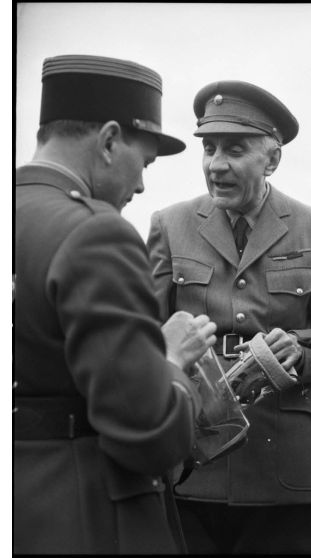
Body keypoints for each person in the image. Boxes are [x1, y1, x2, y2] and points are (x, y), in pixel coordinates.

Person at [14, 54, 218, 554]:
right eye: (144, 163)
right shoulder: (94, 233)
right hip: (85, 520)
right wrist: (168, 360)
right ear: (108, 142)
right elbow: (150, 435)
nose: (143, 184)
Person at [147, 80, 311, 554]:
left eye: (235, 150)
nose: (216, 165)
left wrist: (300, 351)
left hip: (285, 468)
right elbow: (143, 336)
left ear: (272, 159)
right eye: (209, 148)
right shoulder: (169, 226)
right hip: (191, 461)